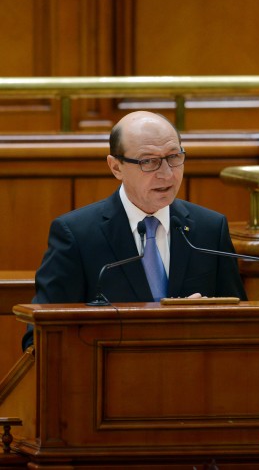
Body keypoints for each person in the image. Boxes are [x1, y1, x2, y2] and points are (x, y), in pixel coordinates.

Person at [22, 111, 247, 350]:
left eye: (173, 157)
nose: (167, 173)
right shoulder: (77, 235)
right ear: (116, 167)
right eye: (148, 161)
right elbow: (38, 336)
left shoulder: (210, 228)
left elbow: (241, 324)